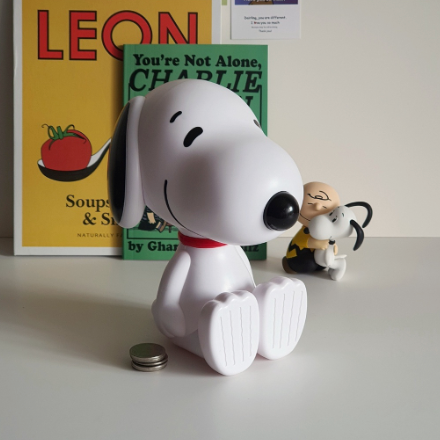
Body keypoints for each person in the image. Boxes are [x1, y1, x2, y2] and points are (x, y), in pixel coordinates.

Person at [282, 181, 341, 274]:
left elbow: (330, 243)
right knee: (308, 264)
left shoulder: (326, 232)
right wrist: (316, 243)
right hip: (297, 256)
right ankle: (289, 265)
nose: (317, 207)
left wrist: (333, 247)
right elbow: (300, 241)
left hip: (317, 256)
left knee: (322, 263)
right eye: (310, 201)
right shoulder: (305, 231)